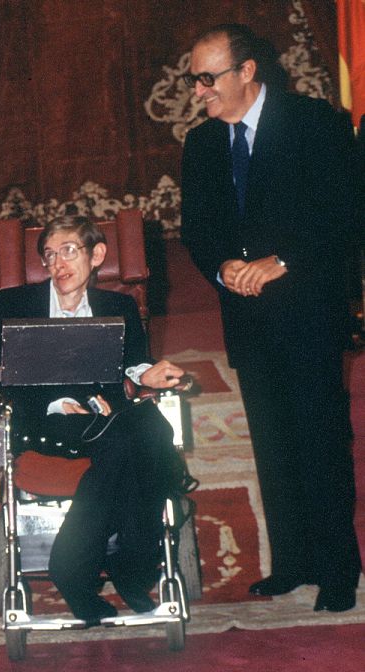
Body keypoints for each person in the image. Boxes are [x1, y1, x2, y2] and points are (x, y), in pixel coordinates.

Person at [181, 24, 361, 612]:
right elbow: (198, 230)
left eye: (209, 78)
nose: (199, 91)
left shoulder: (317, 123)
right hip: (247, 318)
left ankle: (338, 569)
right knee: (274, 444)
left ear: (248, 71)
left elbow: (344, 212)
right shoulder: (202, 143)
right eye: (195, 79)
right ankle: (293, 561)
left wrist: (281, 261)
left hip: (307, 307)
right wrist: (224, 266)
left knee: (321, 440)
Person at [0, 215, 189, 624]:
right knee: (146, 441)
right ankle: (131, 569)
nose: (57, 264)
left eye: (69, 251)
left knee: (148, 427)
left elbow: (133, 369)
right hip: (48, 424)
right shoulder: (11, 305)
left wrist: (146, 375)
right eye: (48, 255)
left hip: (109, 421)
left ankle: (73, 569)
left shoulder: (121, 306)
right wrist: (59, 402)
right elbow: (1, 374)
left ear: (97, 255)